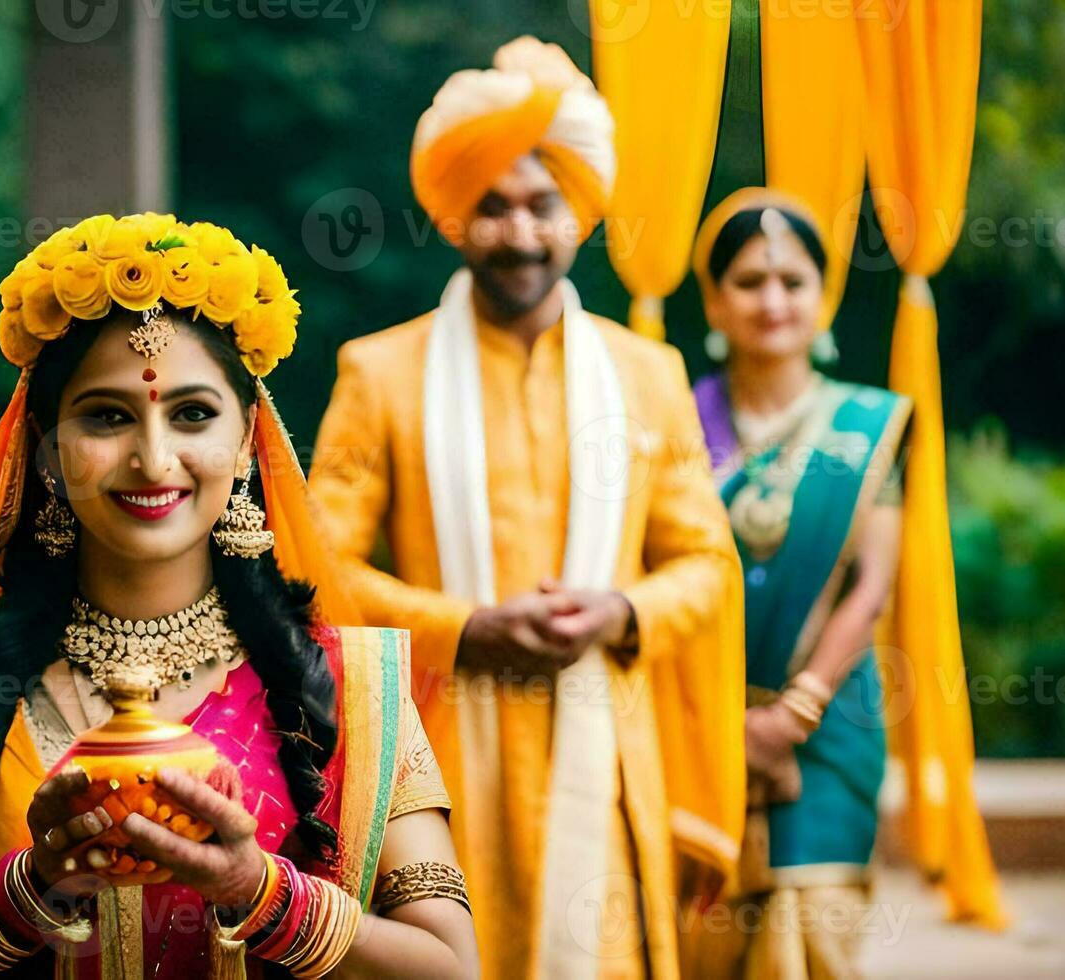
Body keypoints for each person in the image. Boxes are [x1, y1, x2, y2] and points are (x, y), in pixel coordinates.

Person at [0, 212, 479, 978]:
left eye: (193, 414)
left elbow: (451, 967)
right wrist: (26, 895)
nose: (153, 457)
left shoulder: (356, 685)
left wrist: (260, 892)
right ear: (47, 447)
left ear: (244, 445)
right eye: (107, 416)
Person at [308, 37, 746, 979]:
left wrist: (622, 611)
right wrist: (465, 626)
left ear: (577, 217)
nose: (519, 231)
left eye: (542, 204)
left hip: (605, 751)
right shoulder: (381, 372)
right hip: (437, 766)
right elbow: (316, 567)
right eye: (493, 206)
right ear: (458, 218)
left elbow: (708, 561)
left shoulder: (647, 375)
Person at [687, 188, 1000, 975]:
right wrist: (728, 722)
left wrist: (789, 717)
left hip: (825, 724)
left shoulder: (869, 427)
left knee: (814, 933)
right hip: (700, 722)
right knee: (705, 939)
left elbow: (870, 587)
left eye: (793, 282)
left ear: (822, 299)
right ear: (714, 303)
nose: (773, 301)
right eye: (750, 282)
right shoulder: (675, 421)